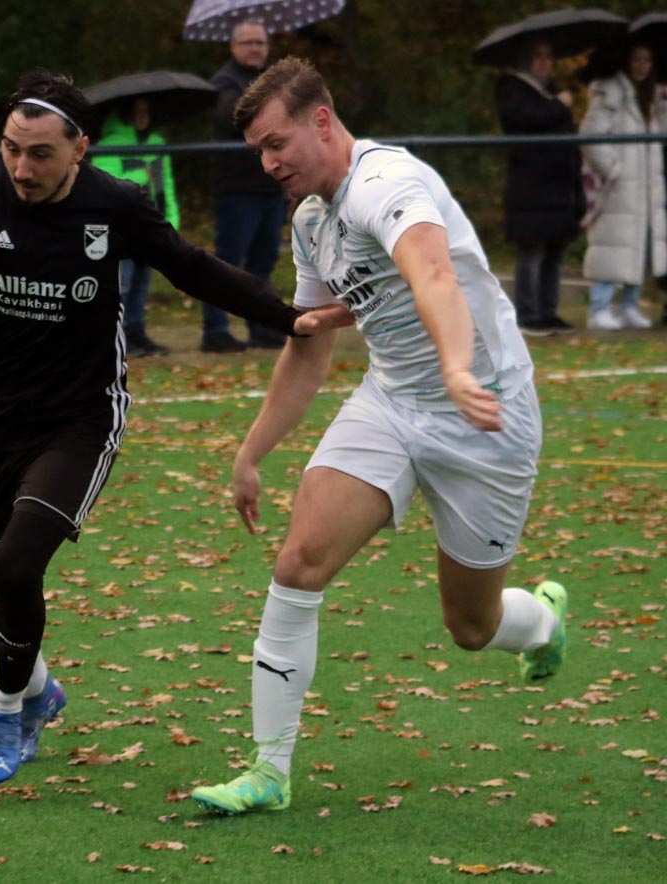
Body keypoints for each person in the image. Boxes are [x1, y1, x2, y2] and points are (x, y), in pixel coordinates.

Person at [0, 69, 351, 788]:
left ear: (80, 148)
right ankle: (39, 687)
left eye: (41, 153)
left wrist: (286, 315)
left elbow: (193, 268)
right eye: (13, 148)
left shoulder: (115, 206)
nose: (22, 167)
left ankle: (4, 707)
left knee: (19, 565)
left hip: (81, 419)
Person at [188, 58, 568, 817]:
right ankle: (269, 770)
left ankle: (546, 620)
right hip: (391, 405)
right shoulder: (310, 220)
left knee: (471, 626)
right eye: (258, 152)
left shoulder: (384, 184)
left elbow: (434, 276)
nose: (269, 165)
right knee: (299, 562)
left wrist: (459, 368)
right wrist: (252, 451)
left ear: (322, 122)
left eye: (277, 144)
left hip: (483, 417)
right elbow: (310, 344)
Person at [202, 19, 289, 354]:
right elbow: (230, 118)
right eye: (249, 42)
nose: (256, 48)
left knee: (263, 263)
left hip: (271, 186)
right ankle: (215, 329)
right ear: (233, 46)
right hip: (237, 188)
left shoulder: (273, 81)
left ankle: (261, 326)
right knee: (227, 261)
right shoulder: (224, 83)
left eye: (261, 42)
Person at [495, 38, 583, 336]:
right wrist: (559, 105)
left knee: (555, 250)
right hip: (531, 186)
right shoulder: (513, 89)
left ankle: (548, 311)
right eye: (538, 56)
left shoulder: (551, 90)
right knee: (532, 252)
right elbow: (528, 119)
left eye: (549, 56)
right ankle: (529, 313)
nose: (545, 63)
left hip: (559, 186)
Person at [579, 44, 666, 331]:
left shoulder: (650, 95)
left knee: (640, 244)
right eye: (637, 59)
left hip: (647, 185)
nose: (642, 66)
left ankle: (629, 305)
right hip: (620, 184)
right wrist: (613, 169)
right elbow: (591, 134)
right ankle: (599, 308)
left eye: (647, 60)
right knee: (611, 243)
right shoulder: (610, 92)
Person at [92, 97, 178, 357]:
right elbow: (109, 184)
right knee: (122, 285)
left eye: (147, 110)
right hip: (120, 228)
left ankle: (136, 332)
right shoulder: (108, 144)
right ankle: (115, 336)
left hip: (149, 225)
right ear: (126, 113)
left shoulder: (157, 144)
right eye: (137, 111)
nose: (143, 116)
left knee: (141, 285)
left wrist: (171, 222)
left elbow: (165, 186)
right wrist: (143, 175)